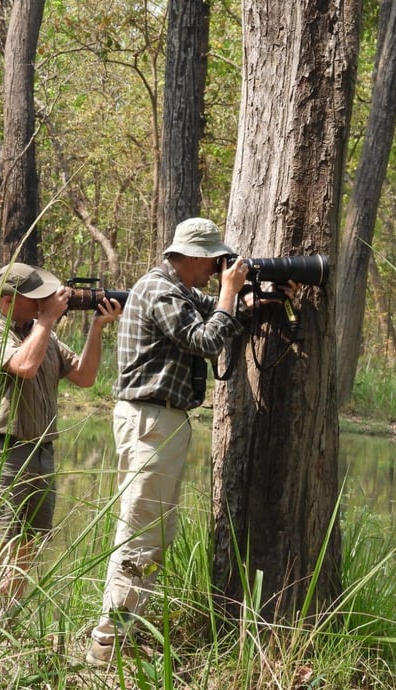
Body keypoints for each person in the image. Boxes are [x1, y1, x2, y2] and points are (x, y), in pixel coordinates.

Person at [86, 217, 254, 666]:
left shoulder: (179, 291)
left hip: (159, 422)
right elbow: (205, 339)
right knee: (141, 534)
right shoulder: (160, 290)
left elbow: (219, 310)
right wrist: (231, 292)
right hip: (151, 421)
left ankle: (122, 635)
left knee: (152, 533)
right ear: (195, 256)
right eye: (214, 261)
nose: (216, 269)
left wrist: (260, 293)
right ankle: (108, 644)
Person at [0, 262, 122, 599]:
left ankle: (6, 618)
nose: (42, 304)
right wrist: (48, 319)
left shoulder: (43, 333)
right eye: (34, 299)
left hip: (42, 452)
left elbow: (84, 376)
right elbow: (23, 365)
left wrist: (97, 327)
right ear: (7, 300)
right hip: (5, 452)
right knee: (1, 542)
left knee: (29, 544)